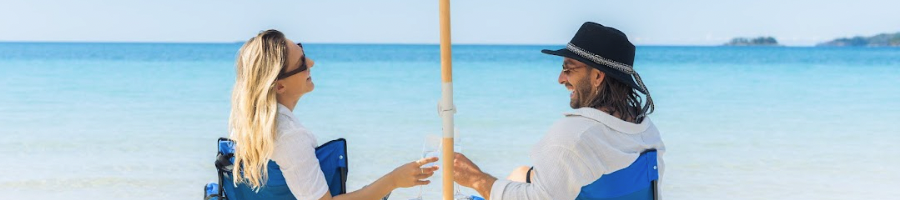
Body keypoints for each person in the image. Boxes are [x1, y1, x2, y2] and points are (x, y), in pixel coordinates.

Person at [452, 22, 666, 200]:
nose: (561, 79)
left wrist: (477, 179)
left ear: (597, 76)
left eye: (568, 69)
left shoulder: (575, 136)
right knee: (521, 173)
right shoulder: (646, 132)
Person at [228, 29, 439, 200]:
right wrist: (393, 180)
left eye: (303, 52)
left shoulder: (246, 129)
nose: (311, 63)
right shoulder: (289, 136)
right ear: (280, 86)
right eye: (301, 63)